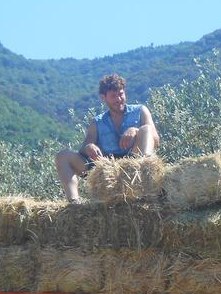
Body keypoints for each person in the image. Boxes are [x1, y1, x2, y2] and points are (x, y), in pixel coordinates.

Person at [54, 73, 160, 202]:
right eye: (113, 96)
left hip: (134, 163)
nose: (119, 99)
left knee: (146, 129)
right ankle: (74, 202)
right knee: (62, 156)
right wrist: (89, 147)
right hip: (106, 168)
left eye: (121, 94)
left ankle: (147, 187)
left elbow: (155, 139)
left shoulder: (140, 111)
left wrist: (135, 130)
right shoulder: (97, 122)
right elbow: (83, 150)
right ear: (103, 97)